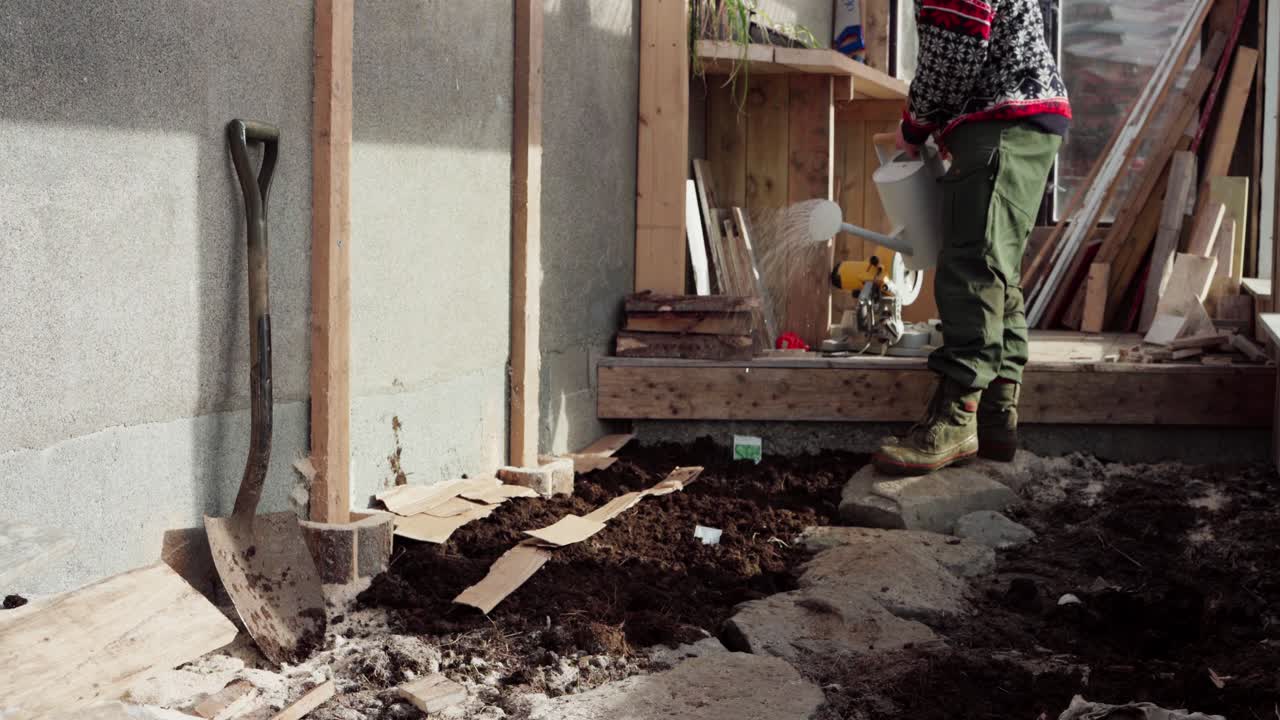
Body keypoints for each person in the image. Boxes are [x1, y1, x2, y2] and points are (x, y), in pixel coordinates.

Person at [873, 0, 1071, 475]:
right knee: (998, 271)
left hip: (1001, 120)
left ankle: (956, 420)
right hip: (1026, 119)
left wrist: (914, 125)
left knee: (971, 265)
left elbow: (953, 54)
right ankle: (996, 419)